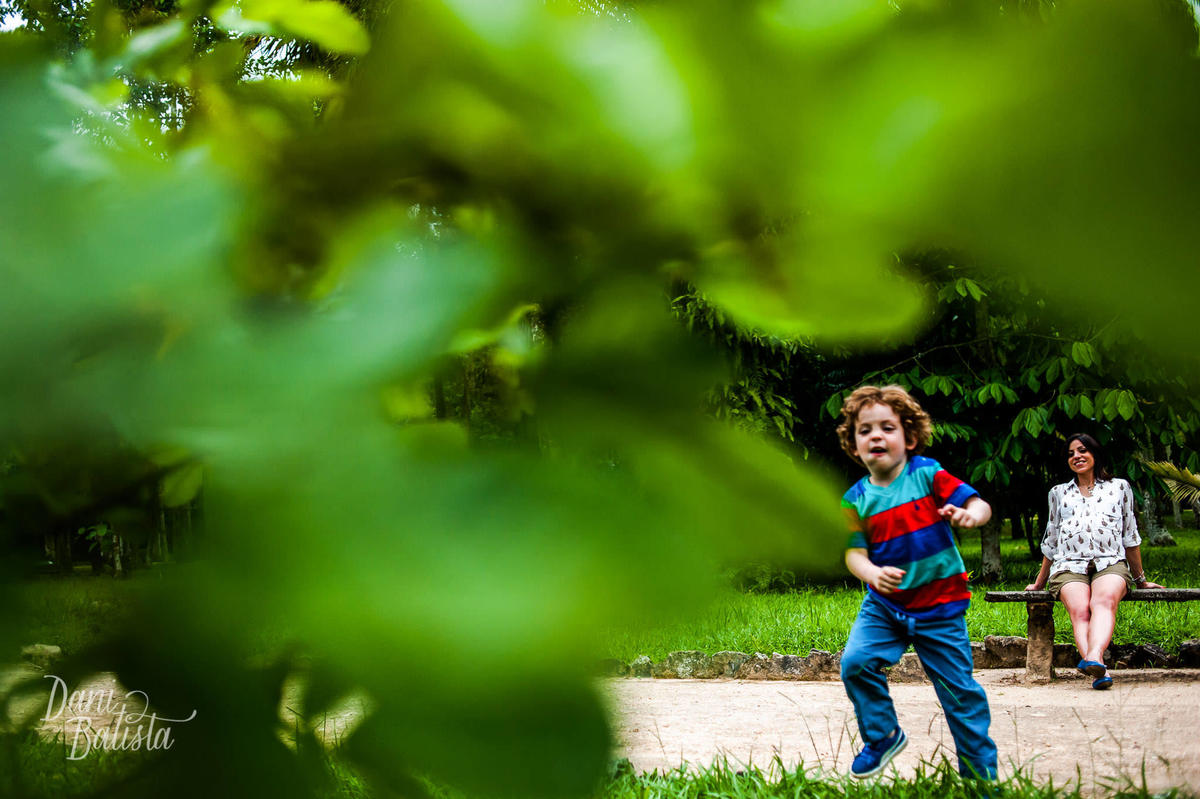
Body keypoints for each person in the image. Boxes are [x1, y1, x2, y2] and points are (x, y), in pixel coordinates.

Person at [837, 385, 998, 781]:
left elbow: (980, 504)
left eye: (887, 427)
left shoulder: (926, 474)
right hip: (886, 607)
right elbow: (853, 554)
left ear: (908, 438)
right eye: (865, 430)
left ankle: (981, 780)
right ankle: (883, 735)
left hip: (940, 606)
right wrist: (872, 573)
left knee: (960, 694)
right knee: (856, 663)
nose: (876, 436)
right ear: (854, 444)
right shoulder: (854, 500)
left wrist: (971, 516)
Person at [1025, 433, 1163, 689]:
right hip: (1068, 565)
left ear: (1095, 454)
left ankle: (1094, 658)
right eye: (1071, 454)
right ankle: (1100, 671)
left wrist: (1141, 580)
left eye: (1082, 450)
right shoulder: (1058, 493)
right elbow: (1051, 540)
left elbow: (1130, 535)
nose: (1076, 456)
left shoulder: (1119, 487)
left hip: (1110, 561)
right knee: (1079, 610)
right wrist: (1038, 583)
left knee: (1103, 601)